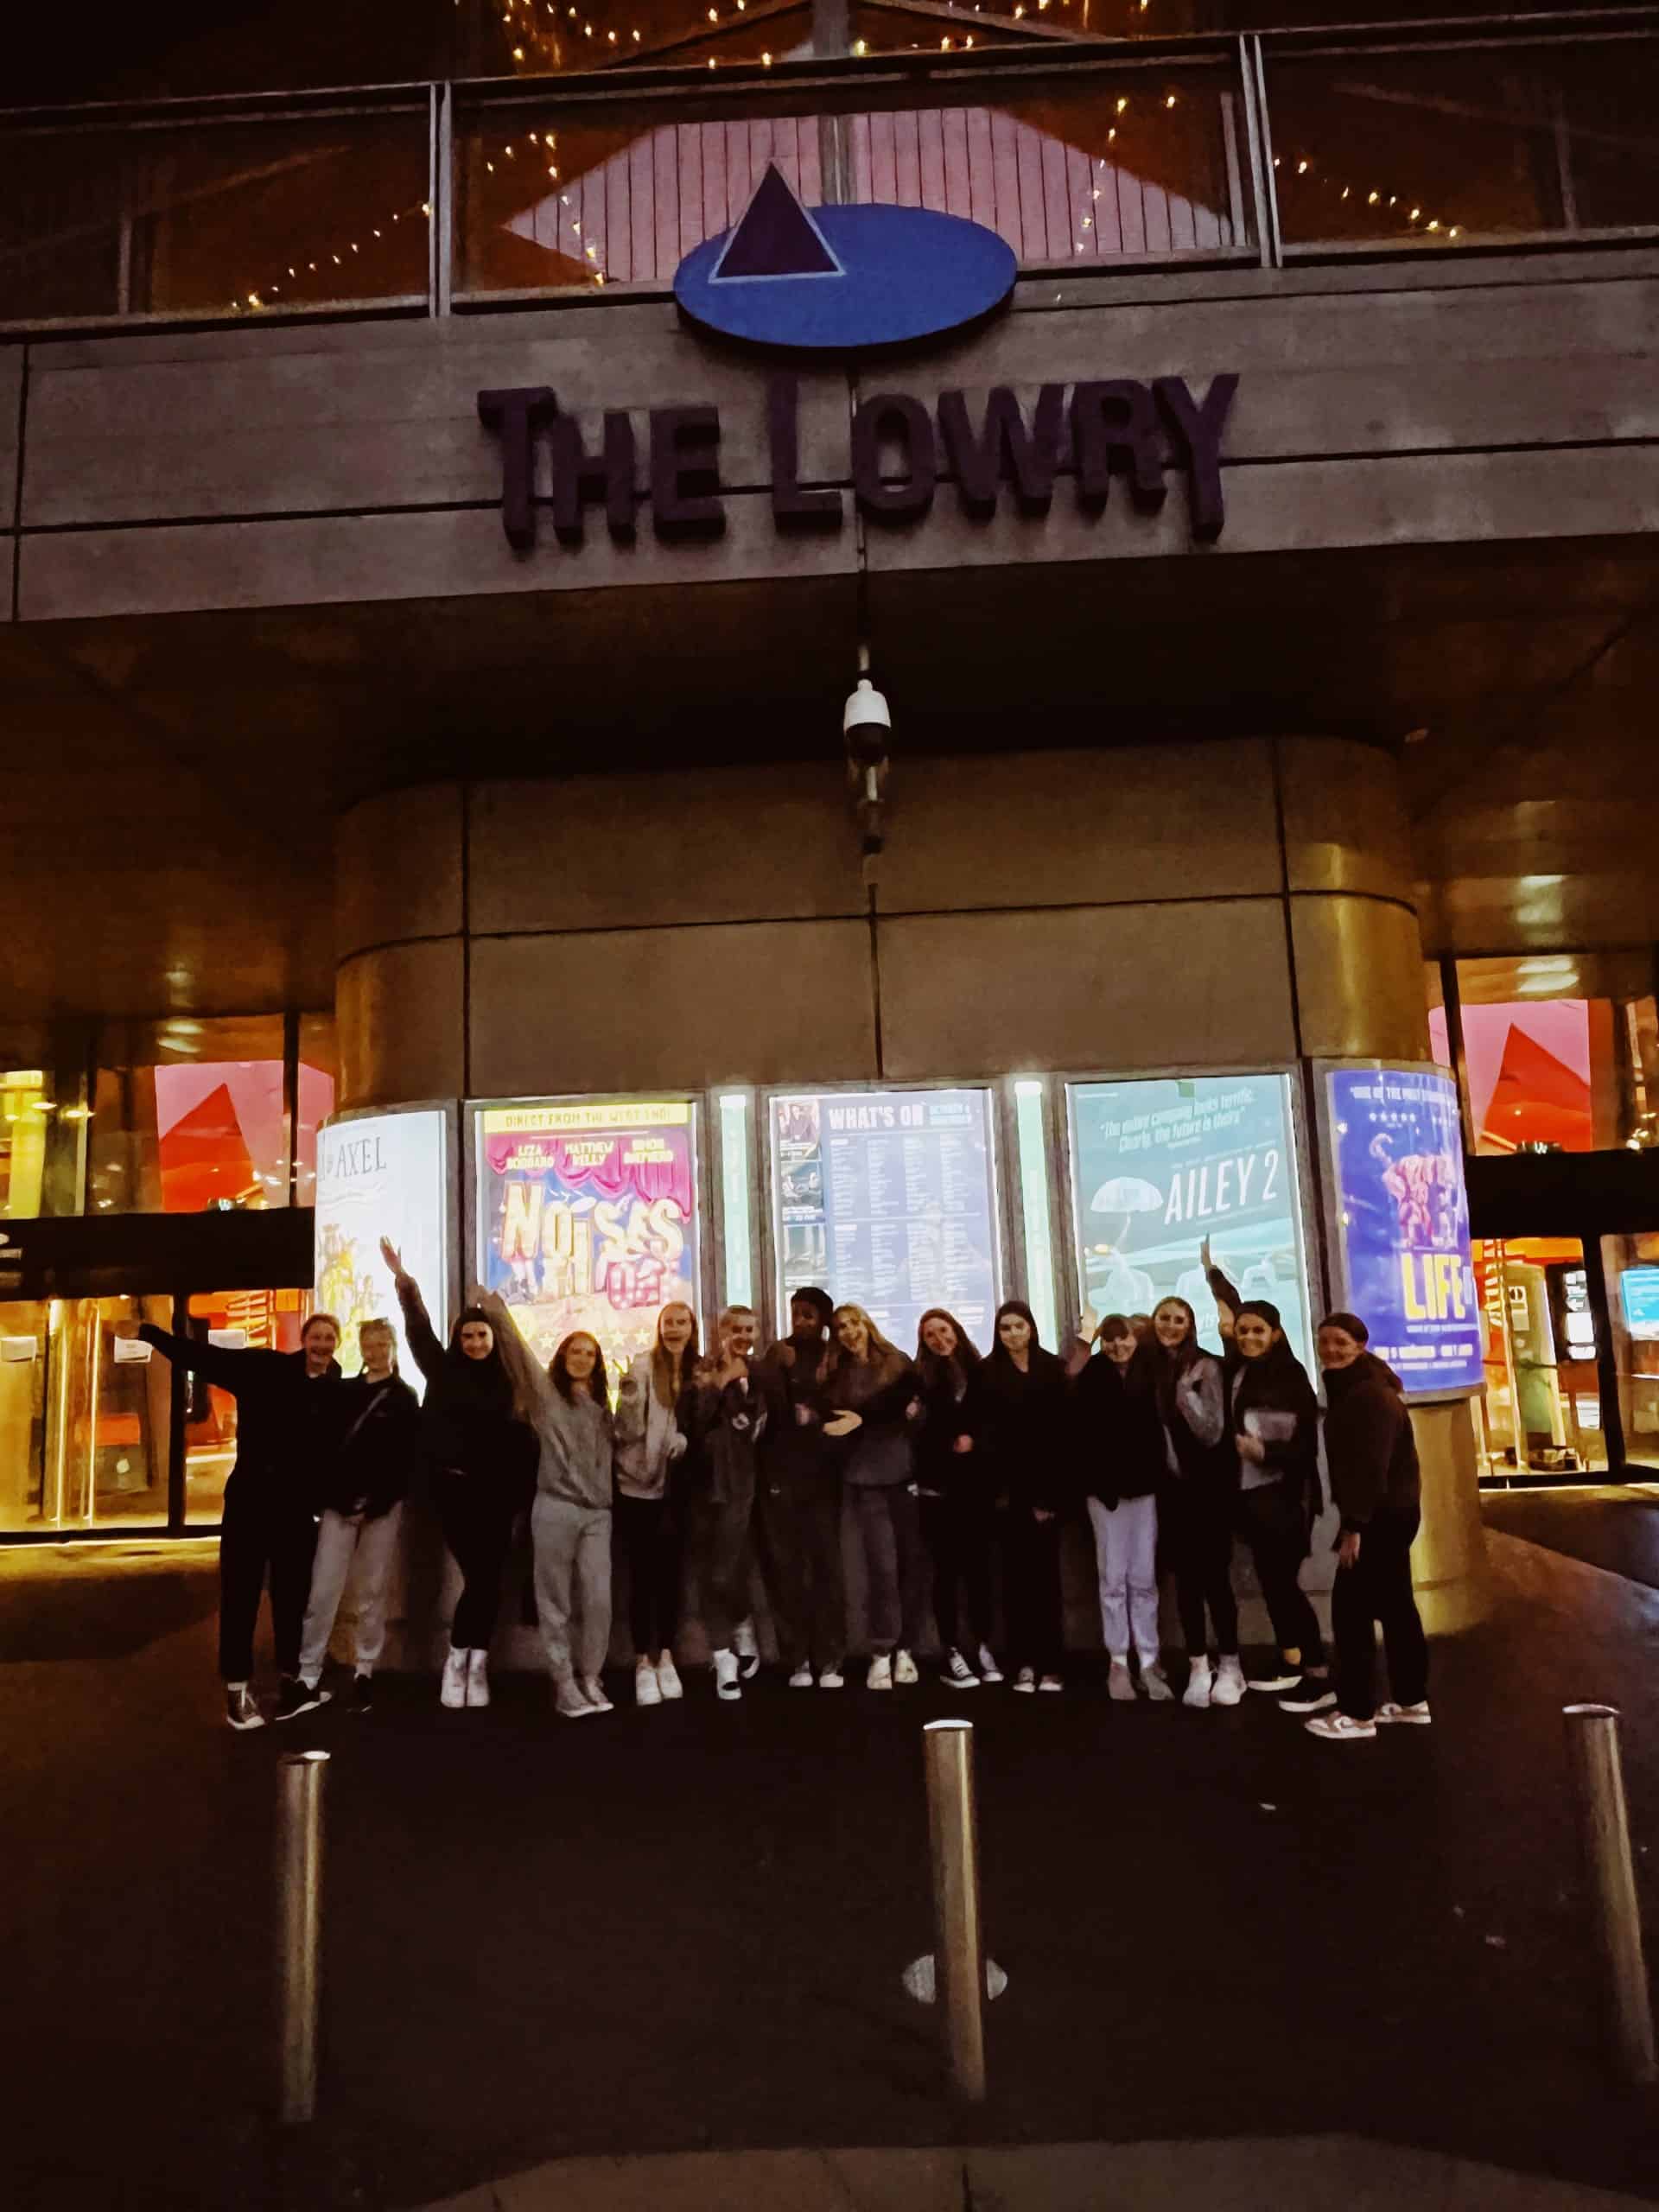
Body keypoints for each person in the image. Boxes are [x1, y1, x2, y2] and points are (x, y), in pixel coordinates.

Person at [118, 1307, 346, 1729]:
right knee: (240, 1595)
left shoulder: (335, 1387)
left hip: (296, 1513)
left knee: (292, 1596)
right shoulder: (265, 1368)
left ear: (337, 1344)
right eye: (316, 1337)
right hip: (251, 1504)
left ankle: (292, 1679)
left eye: (329, 1339)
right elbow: (203, 1358)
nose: (322, 1346)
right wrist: (150, 1334)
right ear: (304, 1340)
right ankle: (237, 1691)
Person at [384, 1243, 538, 1710]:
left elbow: (521, 1439)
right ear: (459, 1339)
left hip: (498, 1496)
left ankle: (474, 1661)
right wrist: (405, 1282)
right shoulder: (444, 1369)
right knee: (482, 1578)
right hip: (453, 1492)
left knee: (488, 1580)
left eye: (482, 1336)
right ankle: (459, 1659)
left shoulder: (510, 1381)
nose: (475, 1343)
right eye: (468, 1336)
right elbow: (418, 1332)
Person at [478, 1292, 617, 1720]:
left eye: (589, 1352)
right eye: (575, 1350)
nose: (581, 1357)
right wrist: (496, 1312)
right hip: (555, 1508)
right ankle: (564, 1684)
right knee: (554, 1601)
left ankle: (591, 1676)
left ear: (598, 1362)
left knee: (599, 1600)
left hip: (598, 1514)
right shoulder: (544, 1398)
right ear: (563, 1356)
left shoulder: (602, 1410)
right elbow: (518, 1352)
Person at [1305, 1311, 1430, 1742]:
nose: (1331, 1350)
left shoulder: (1368, 1397)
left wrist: (1353, 1527)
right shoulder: (1362, 1389)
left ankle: (1357, 1714)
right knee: (1397, 1609)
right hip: (1392, 1516)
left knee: (1352, 1613)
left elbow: (1369, 1469)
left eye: (1340, 1341)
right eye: (1324, 1342)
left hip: (1376, 1519)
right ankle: (1412, 1701)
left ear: (1360, 1345)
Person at [295, 1317, 422, 1713]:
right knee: (323, 1591)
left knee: (372, 1593)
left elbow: (405, 1459)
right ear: (361, 1347)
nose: (376, 1350)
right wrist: (337, 1499)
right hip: (340, 1506)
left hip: (382, 1509)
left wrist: (378, 1502)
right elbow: (327, 1450)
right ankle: (308, 1671)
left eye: (382, 1343)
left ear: (392, 1346)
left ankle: (365, 1668)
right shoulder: (344, 1392)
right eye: (370, 1343)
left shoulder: (403, 1397)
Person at [1225, 1300, 1332, 1711]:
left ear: (1276, 1333)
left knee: (1286, 1587)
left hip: (1287, 1499)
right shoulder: (1242, 1369)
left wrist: (1265, 1451)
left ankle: (1318, 1675)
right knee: (1272, 1583)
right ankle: (1291, 1660)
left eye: (1258, 1331)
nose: (1249, 1337)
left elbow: (1304, 1447)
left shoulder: (1289, 1374)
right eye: (1243, 1330)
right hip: (1253, 1497)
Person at [1146, 1294, 1242, 1709]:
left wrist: (1185, 1393)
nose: (1169, 1325)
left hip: (1209, 1490)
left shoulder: (1205, 1365)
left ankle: (1232, 1665)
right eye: (1163, 1318)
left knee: (1216, 1580)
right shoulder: (1147, 1366)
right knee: (1185, 1581)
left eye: (1178, 1319)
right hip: (1169, 1493)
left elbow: (1211, 1431)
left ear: (1190, 1325)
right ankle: (1198, 1665)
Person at [825, 1304, 926, 1690]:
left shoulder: (897, 1362)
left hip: (904, 1474)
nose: (849, 1331)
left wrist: (868, 1419)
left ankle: (907, 1650)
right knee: (881, 1567)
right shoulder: (839, 1374)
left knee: (911, 1566)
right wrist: (880, 1417)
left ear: (867, 1324)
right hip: (865, 1478)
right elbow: (838, 1420)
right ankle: (882, 1650)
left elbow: (909, 1409)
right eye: (840, 1327)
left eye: (854, 1323)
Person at [1071, 1313, 1172, 1700]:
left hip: (1145, 1489)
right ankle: (1118, 1659)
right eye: (1109, 1340)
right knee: (1112, 1578)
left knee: (1143, 1578)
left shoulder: (1151, 1369)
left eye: (1124, 1338)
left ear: (1136, 1337)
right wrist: (1085, 1338)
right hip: (1104, 1493)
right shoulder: (1093, 1373)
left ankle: (1148, 1657)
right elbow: (1075, 1417)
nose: (1118, 1346)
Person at [755, 1288, 848, 1690]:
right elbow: (764, 1413)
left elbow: (847, 1407)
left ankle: (830, 1660)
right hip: (782, 1477)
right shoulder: (777, 1355)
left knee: (827, 1569)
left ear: (823, 1319)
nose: (801, 1322)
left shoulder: (836, 1357)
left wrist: (816, 1415)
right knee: (788, 1571)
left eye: (809, 1315)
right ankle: (797, 1659)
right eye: (796, 1314)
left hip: (825, 1479)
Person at [978, 1299, 1071, 1694]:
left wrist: (1050, 1497)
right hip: (1006, 1494)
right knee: (1013, 1584)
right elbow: (987, 1436)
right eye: (1005, 1328)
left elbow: (1063, 1435)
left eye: (1019, 1326)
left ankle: (1051, 1665)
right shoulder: (986, 1372)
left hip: (1046, 1492)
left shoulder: (1052, 1369)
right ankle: (1023, 1665)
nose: (1013, 1334)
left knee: (1047, 1583)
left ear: (1031, 1328)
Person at [678, 1306, 769, 1702]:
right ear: (721, 1331)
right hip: (700, 1485)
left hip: (740, 1486)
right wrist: (721, 1382)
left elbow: (762, 1429)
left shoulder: (761, 1374)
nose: (743, 1335)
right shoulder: (699, 1371)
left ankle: (743, 1623)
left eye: (750, 1329)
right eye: (736, 1328)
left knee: (725, 1571)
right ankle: (722, 1655)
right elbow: (692, 1423)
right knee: (706, 1571)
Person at [613, 1302, 696, 1707]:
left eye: (682, 1322)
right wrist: (627, 1398)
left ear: (692, 1328)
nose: (675, 1329)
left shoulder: (699, 1370)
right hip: (638, 1488)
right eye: (669, 1322)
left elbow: (704, 1422)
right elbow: (625, 1431)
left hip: (680, 1492)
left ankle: (666, 1655)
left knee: (670, 1578)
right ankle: (641, 1660)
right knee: (641, 1578)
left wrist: (685, 1441)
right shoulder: (644, 1366)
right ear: (658, 1327)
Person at [912, 1308, 1000, 1689]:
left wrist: (976, 1441)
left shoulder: (982, 1372)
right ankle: (952, 1651)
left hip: (977, 1490)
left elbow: (995, 1424)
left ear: (956, 1330)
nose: (938, 1339)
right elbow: (919, 1436)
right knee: (946, 1575)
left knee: (979, 1572)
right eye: (929, 1334)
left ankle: (983, 1645)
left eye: (943, 1330)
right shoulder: (920, 1380)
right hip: (938, 1493)